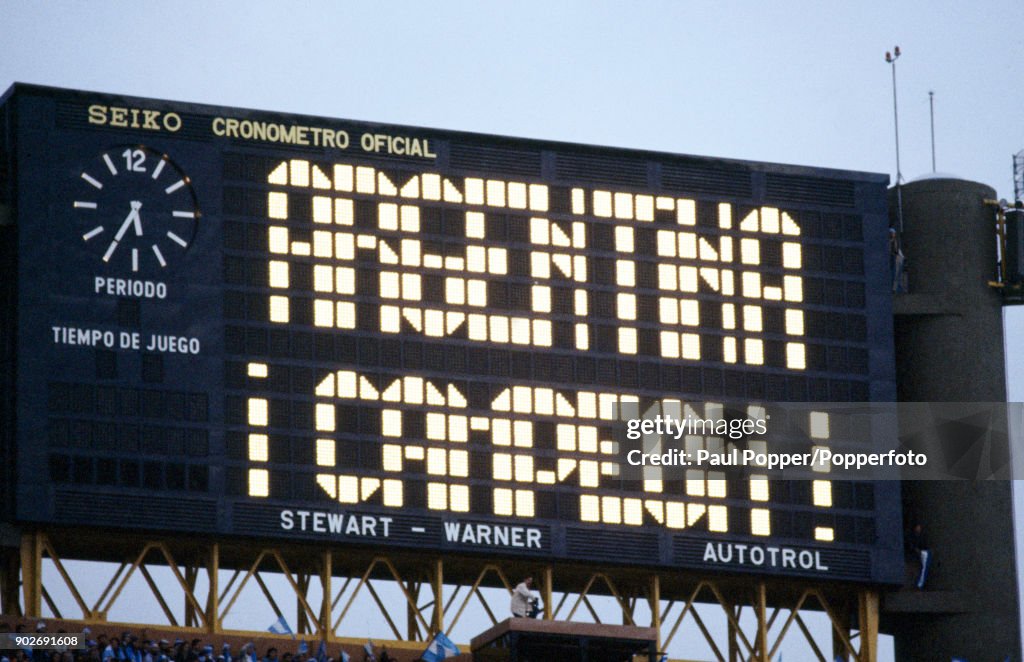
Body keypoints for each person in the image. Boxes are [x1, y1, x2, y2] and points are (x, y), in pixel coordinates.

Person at [907, 522, 931, 589]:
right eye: (918, 527)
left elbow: (924, 545)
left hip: (922, 553)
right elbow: (911, 545)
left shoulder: (922, 536)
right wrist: (916, 550)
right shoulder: (912, 536)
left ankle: (920, 584)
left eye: (919, 527)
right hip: (914, 555)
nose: (919, 528)